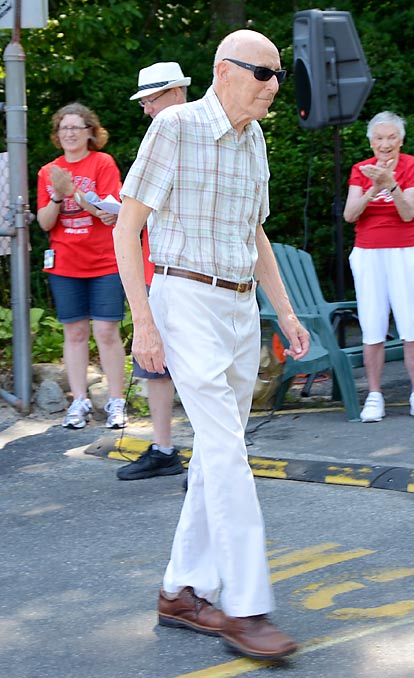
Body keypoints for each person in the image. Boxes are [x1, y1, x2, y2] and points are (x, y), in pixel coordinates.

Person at [113, 29, 309, 659]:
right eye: (263, 73)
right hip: (185, 298)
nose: (274, 86)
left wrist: (285, 311)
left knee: (218, 453)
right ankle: (247, 609)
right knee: (226, 450)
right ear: (224, 71)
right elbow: (127, 229)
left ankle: (179, 590)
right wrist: (144, 322)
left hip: (239, 306)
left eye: (279, 75)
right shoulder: (174, 128)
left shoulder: (255, 143)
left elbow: (256, 237)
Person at [116, 62, 191, 481]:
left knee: (195, 365)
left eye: (150, 99)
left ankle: (210, 460)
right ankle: (164, 448)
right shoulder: (161, 135)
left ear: (176, 93)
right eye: (143, 101)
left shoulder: (194, 135)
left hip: (186, 271)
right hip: (154, 265)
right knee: (152, 362)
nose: (145, 109)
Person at [343, 111, 414, 422]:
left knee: (411, 324)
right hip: (369, 252)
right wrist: (374, 187)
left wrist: (391, 183)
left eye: (391, 137)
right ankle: (374, 395)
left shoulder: (413, 166)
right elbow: (350, 214)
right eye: (379, 138)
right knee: (372, 325)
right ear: (371, 142)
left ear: (401, 140)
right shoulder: (360, 170)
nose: (385, 144)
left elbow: (409, 212)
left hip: (408, 249)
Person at [36, 103, 127, 430]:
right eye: (64, 128)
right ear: (58, 136)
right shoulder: (49, 172)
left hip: (105, 261)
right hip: (65, 263)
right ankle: (79, 401)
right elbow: (46, 223)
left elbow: (109, 210)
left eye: (76, 127)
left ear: (90, 131)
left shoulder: (102, 163)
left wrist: (73, 190)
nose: (70, 133)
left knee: (105, 331)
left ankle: (116, 402)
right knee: (74, 332)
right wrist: (58, 197)